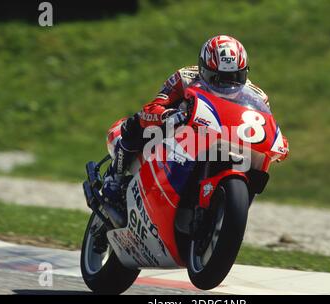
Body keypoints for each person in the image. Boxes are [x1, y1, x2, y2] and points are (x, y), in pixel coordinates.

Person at [102, 35, 287, 204]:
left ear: (245, 72)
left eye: (235, 77)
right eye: (218, 78)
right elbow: (153, 107)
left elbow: (263, 124)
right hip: (182, 135)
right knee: (137, 122)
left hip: (227, 141)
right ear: (203, 69)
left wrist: (279, 142)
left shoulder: (257, 96)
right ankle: (114, 177)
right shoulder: (185, 77)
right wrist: (168, 115)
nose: (227, 85)